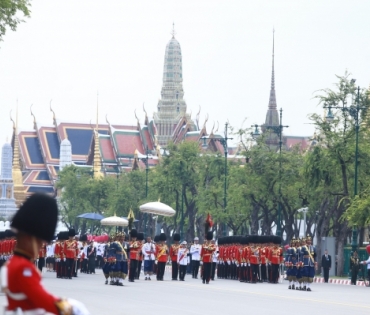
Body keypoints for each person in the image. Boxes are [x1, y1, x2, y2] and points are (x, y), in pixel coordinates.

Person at [0, 193, 89, 315]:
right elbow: (43, 300)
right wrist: (71, 308)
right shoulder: (23, 267)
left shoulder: (14, 263)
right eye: (40, 240)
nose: (42, 244)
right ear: (29, 239)